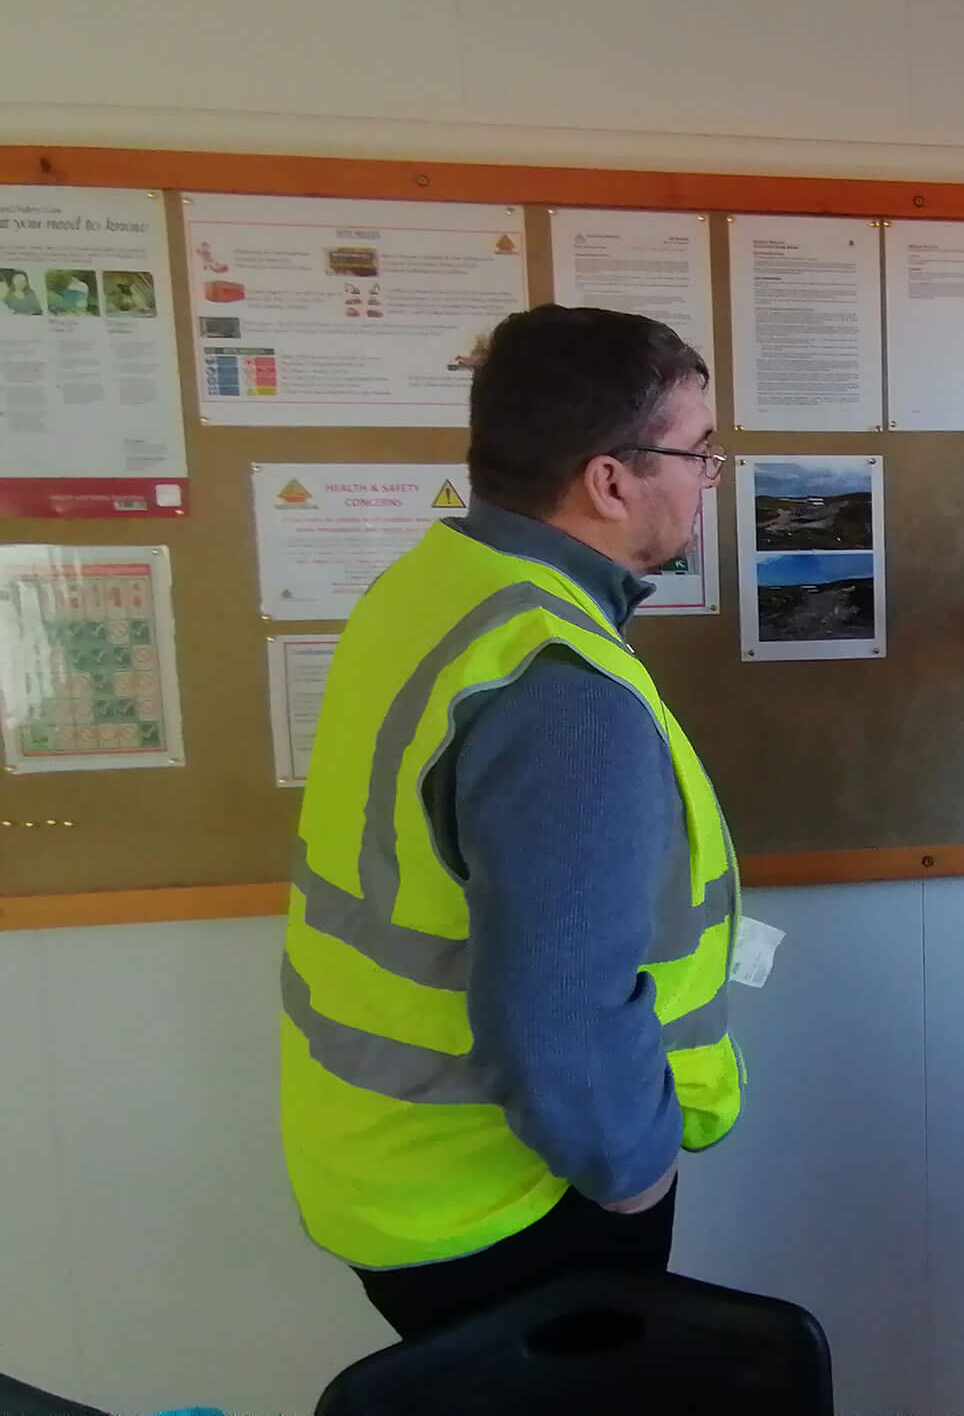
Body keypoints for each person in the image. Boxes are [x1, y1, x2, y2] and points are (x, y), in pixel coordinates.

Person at [279, 305, 742, 1339]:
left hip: (387, 1168)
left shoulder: (433, 588)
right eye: (698, 452)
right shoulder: (559, 686)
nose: (708, 479)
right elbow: (560, 1015)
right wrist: (633, 1175)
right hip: (512, 1202)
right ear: (610, 480)